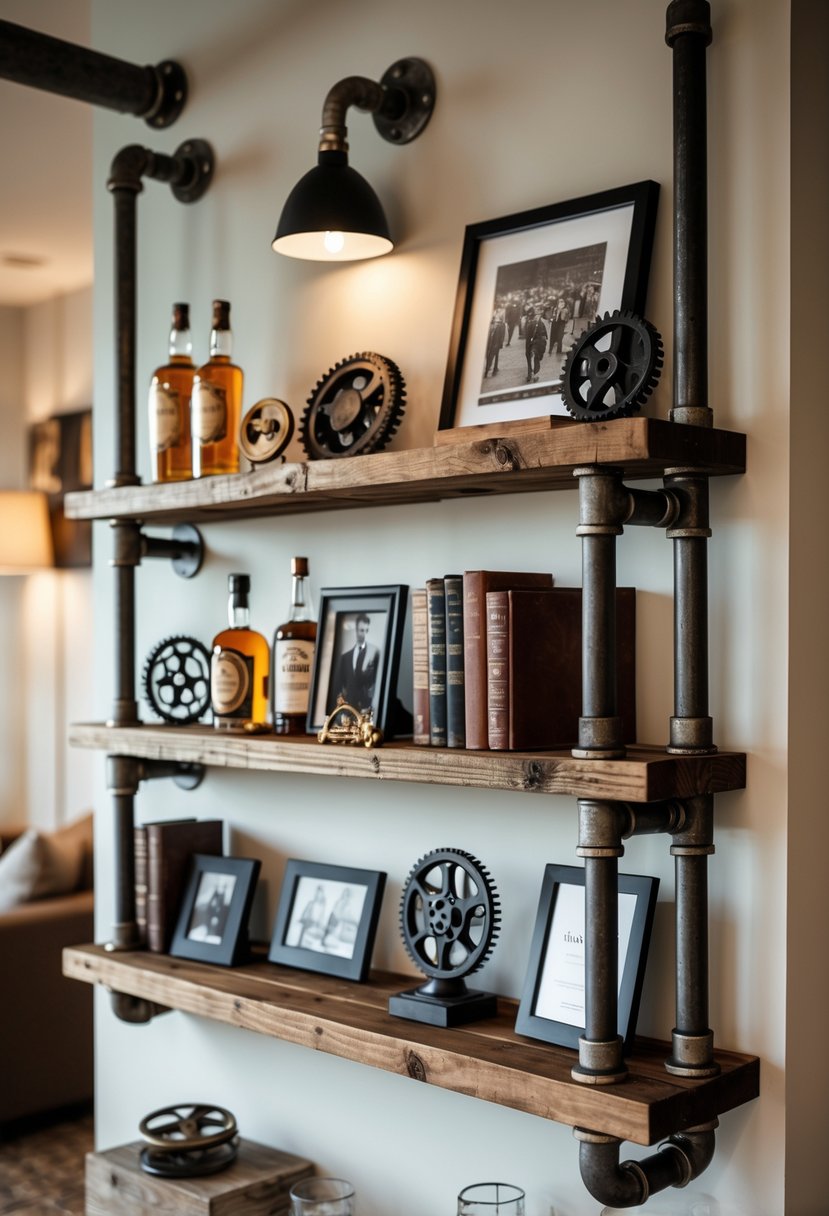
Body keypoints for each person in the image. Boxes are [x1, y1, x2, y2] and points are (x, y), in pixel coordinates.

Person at [331, 613, 380, 713]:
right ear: (356, 630)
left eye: (366, 631)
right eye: (362, 630)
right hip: (348, 710)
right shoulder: (345, 657)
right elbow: (339, 685)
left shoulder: (375, 654)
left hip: (367, 710)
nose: (364, 634)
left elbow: (376, 684)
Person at [524, 306, 547, 382]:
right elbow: (544, 336)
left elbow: (543, 335)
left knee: (532, 357)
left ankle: (532, 375)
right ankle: (532, 375)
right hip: (533, 343)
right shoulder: (534, 321)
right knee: (532, 357)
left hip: (534, 343)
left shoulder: (535, 322)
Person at [484, 307, 507, 376]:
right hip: (495, 342)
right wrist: (501, 343)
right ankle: (491, 369)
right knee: (494, 355)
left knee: (492, 355)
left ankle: (493, 368)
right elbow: (503, 335)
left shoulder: (493, 324)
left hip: (493, 342)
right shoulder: (500, 325)